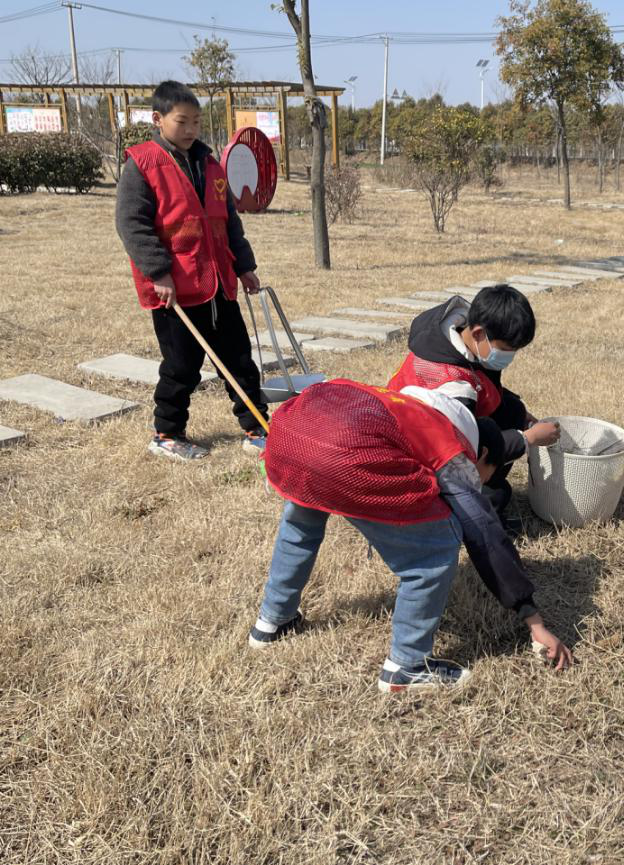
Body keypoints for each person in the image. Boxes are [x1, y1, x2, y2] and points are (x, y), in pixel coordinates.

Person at [247, 378, 573, 692]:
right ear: (482, 454)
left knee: (300, 526)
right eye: (487, 475)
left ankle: (272, 621)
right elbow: (484, 532)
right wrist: (533, 619)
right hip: (341, 451)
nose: (482, 483)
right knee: (434, 549)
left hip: (295, 432)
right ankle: (407, 666)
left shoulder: (409, 405)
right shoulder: (451, 447)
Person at [115, 80, 268, 462]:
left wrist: (244, 266)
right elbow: (132, 224)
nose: (190, 130)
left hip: (219, 282)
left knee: (238, 358)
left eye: (196, 122)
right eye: (182, 121)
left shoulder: (211, 165)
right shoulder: (142, 164)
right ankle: (167, 432)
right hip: (176, 290)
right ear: (158, 119)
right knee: (182, 366)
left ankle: (257, 427)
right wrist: (158, 271)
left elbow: (228, 221)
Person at [387, 285, 561, 521]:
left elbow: (481, 382)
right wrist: (527, 439)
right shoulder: (453, 387)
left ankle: (489, 476)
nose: (510, 358)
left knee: (512, 410)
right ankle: (457, 514)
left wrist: (520, 413)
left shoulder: (452, 336)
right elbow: (465, 453)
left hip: (435, 426)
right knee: (497, 494)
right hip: (420, 461)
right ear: (479, 333)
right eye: (507, 350)